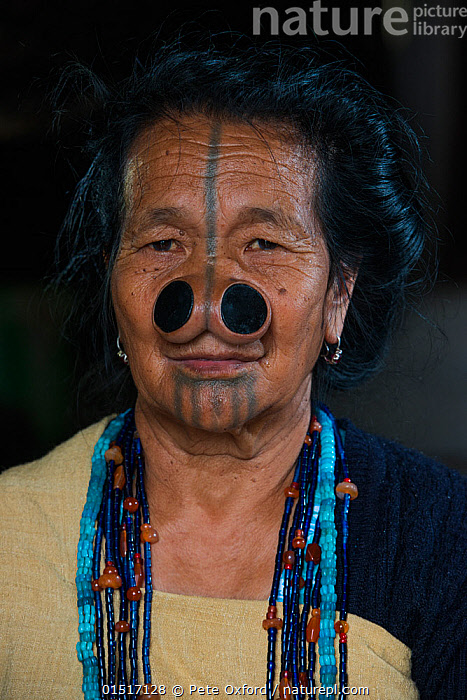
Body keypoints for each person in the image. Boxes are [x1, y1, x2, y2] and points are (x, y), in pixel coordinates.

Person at [0, 39, 465, 700]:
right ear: (112, 285)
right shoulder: (9, 534)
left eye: (264, 244)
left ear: (338, 293)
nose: (209, 308)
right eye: (163, 244)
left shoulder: (441, 538)